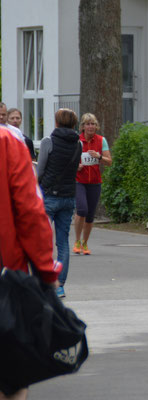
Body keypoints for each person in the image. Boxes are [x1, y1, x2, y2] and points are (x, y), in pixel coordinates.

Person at [0, 127, 61, 400]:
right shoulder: (7, 141)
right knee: (11, 373)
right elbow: (31, 211)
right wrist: (47, 273)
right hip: (6, 277)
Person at [37, 108, 82, 298]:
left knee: (43, 242)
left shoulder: (48, 141)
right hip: (69, 197)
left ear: (57, 122)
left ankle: (45, 283)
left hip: (49, 197)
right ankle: (60, 285)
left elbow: (39, 170)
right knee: (63, 242)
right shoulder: (78, 144)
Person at [72, 113, 112, 256]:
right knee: (82, 209)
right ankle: (77, 241)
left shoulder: (101, 141)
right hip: (79, 181)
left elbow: (109, 161)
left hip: (95, 181)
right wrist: (76, 165)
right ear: (82, 126)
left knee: (89, 215)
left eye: (93, 124)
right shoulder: (76, 140)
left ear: (97, 126)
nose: (91, 127)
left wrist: (99, 156)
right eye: (88, 124)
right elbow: (69, 159)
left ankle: (85, 242)